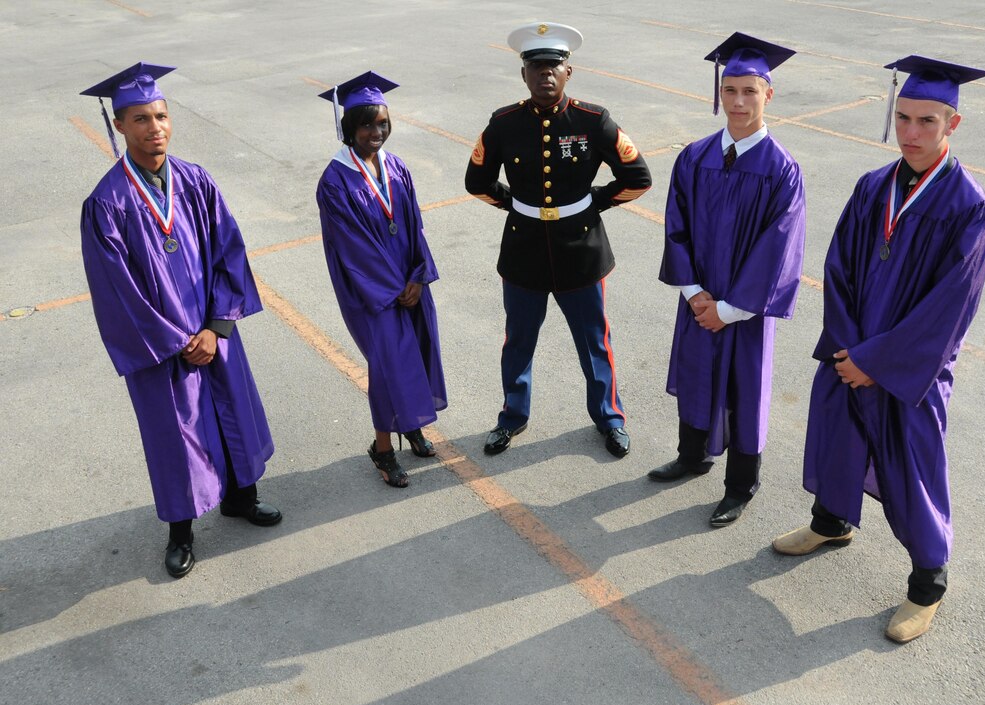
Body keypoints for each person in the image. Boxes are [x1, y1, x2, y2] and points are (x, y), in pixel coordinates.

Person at [772, 56, 985, 643]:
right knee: (839, 438)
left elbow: (950, 308)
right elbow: (838, 267)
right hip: (852, 355)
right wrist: (849, 351)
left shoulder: (968, 206)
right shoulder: (874, 186)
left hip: (908, 371)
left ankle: (928, 584)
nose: (911, 133)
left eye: (927, 120)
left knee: (912, 466)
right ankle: (831, 522)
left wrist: (878, 362)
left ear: (953, 124)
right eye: (902, 118)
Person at [80, 62, 281, 579]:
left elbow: (229, 253)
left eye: (162, 116)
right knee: (177, 435)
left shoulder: (196, 181)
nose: (156, 128)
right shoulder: (107, 205)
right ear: (120, 126)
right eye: (142, 119)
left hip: (215, 332)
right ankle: (182, 534)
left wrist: (217, 327)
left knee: (231, 411)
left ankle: (242, 498)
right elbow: (116, 294)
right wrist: (179, 342)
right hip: (163, 348)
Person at [465, 21, 652, 458]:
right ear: (523, 74)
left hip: (580, 250)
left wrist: (594, 204)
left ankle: (609, 418)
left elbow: (637, 177)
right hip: (524, 248)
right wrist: (514, 205)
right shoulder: (504, 123)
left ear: (569, 72)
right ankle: (512, 416)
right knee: (519, 341)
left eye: (554, 66)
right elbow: (477, 181)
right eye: (536, 67)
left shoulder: (592, 120)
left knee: (594, 341)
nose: (545, 74)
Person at [652, 33, 806, 529]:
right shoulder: (694, 157)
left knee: (745, 389)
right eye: (730, 90)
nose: (738, 102)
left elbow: (779, 249)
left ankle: (741, 485)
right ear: (719, 93)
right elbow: (676, 226)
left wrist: (729, 308)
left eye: (750, 91)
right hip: (698, 298)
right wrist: (694, 292)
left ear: (768, 95)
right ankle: (691, 456)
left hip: (745, 309)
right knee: (697, 371)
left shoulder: (781, 171)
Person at [316, 71, 447, 487]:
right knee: (388, 364)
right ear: (349, 128)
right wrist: (395, 290)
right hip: (372, 293)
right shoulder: (335, 181)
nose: (376, 132)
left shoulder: (397, 167)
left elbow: (415, 226)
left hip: (409, 282)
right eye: (367, 124)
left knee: (417, 353)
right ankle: (383, 449)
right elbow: (352, 249)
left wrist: (419, 277)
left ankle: (412, 427)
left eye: (383, 123)